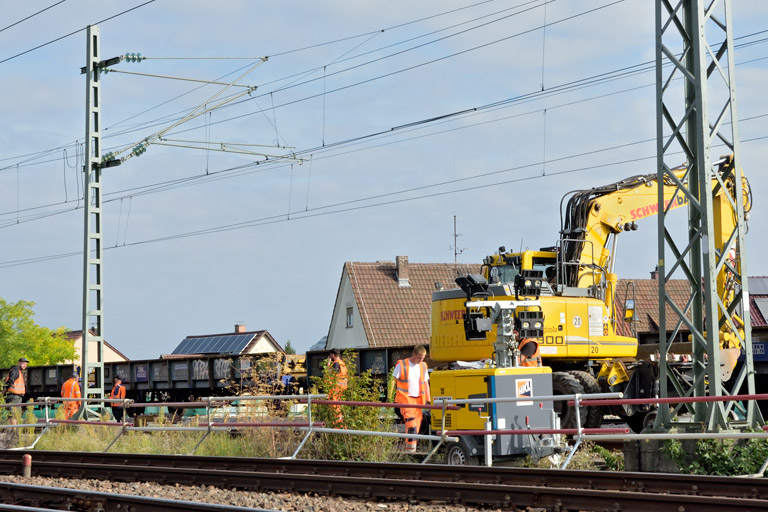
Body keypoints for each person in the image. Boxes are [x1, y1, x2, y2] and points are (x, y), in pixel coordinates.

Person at [389, 345, 431, 453]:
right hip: (405, 399)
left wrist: (428, 399)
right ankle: (411, 451)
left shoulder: (423, 366)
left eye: (423, 358)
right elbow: (393, 380)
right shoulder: (402, 365)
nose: (421, 360)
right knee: (411, 423)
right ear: (414, 354)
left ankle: (410, 450)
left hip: (418, 401)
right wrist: (389, 397)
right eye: (420, 358)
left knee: (416, 426)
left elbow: (426, 383)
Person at [327, 349, 347, 426]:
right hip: (341, 388)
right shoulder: (343, 364)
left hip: (335, 389)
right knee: (338, 407)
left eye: (330, 356)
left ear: (333, 355)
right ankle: (341, 424)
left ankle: (337, 425)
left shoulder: (336, 363)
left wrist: (328, 364)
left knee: (335, 408)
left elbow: (331, 373)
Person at [5, 357, 28, 425]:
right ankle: (13, 432)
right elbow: (10, 381)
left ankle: (11, 432)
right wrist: (5, 390)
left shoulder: (18, 371)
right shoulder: (15, 370)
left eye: (26, 364)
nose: (25, 365)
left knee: (12, 415)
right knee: (14, 415)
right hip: (14, 396)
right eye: (23, 363)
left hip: (15, 396)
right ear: (19, 363)